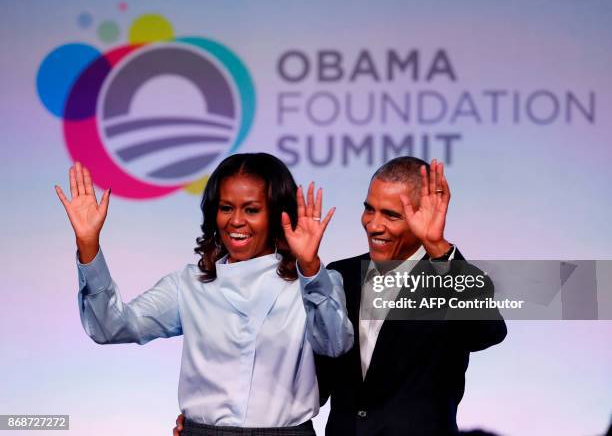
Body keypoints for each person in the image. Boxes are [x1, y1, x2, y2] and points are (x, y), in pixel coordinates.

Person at [54, 153, 354, 435]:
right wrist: (88, 243)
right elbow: (111, 327)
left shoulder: (314, 282)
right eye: (226, 208)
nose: (236, 221)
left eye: (251, 210)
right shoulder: (188, 285)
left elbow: (335, 345)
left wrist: (310, 267)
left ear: (278, 216)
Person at [315, 156, 507, 435]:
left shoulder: (448, 276)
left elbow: (487, 331)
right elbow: (317, 383)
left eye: (391, 215)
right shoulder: (340, 275)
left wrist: (438, 247)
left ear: (423, 216)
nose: (374, 225)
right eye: (370, 209)